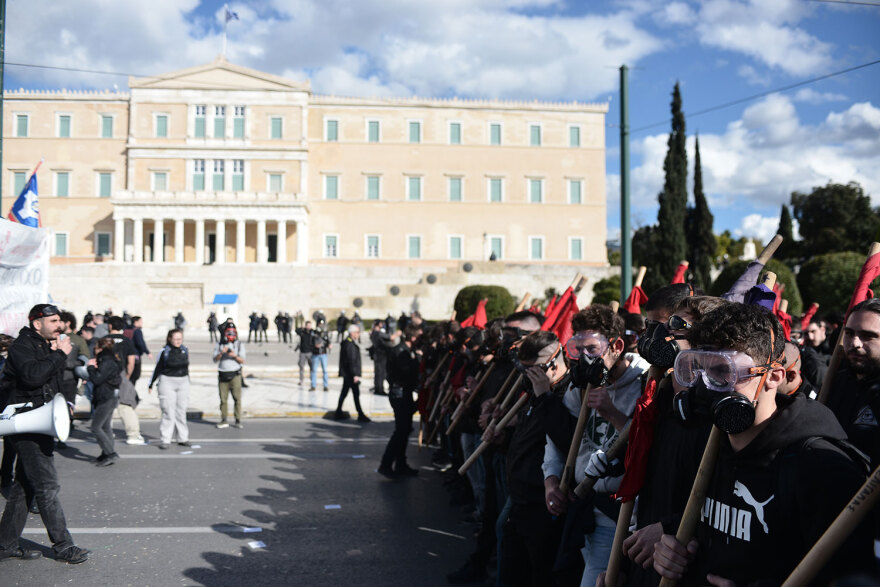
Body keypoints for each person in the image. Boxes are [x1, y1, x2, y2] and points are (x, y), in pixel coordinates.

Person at [652, 303, 873, 585]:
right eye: (698, 369)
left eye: (724, 371)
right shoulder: (708, 447)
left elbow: (854, 577)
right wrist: (673, 551)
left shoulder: (822, 468)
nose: (707, 387)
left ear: (774, 376)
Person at [542, 306, 649, 587]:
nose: (585, 358)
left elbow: (650, 445)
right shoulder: (580, 386)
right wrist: (551, 482)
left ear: (616, 346)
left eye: (592, 348)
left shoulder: (645, 382)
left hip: (628, 510)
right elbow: (557, 442)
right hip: (588, 506)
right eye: (578, 349)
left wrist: (612, 413)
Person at [0, 303, 90, 564]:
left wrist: (64, 405)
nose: (59, 325)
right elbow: (32, 377)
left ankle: (5, 544)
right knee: (47, 486)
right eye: (53, 321)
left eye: (59, 320)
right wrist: (59, 355)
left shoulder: (42, 345)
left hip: (40, 421)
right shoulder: (22, 346)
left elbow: (50, 381)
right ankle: (63, 546)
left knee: (24, 486)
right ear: (37, 323)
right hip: (26, 422)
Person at [827, 298, 880, 570]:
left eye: (869, 336)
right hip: (825, 517)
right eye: (849, 334)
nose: (855, 343)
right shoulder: (836, 381)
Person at [379, 324, 422, 478]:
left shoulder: (404, 350)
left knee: (404, 430)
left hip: (404, 392)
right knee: (401, 431)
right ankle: (386, 464)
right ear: (413, 337)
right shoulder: (402, 352)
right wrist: (417, 359)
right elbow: (406, 372)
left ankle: (401, 464)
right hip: (400, 392)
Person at [148, 329, 191, 449]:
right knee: (168, 411)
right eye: (175, 339)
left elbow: (187, 367)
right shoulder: (164, 352)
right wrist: (151, 383)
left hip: (183, 382)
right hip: (167, 381)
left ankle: (183, 438)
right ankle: (165, 439)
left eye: (180, 339)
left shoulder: (185, 350)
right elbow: (158, 368)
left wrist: (187, 381)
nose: (178, 341)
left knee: (181, 411)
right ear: (169, 339)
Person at [104, 316, 144, 445]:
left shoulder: (104, 340)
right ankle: (133, 435)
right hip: (121, 375)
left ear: (110, 326)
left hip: (106, 376)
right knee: (125, 406)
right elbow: (131, 361)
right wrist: (127, 376)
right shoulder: (127, 340)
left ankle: (106, 432)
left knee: (106, 406)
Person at [87, 337, 121, 467]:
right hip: (109, 395)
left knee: (96, 427)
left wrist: (90, 367)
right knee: (106, 427)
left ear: (100, 348)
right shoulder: (110, 359)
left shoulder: (106, 361)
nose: (94, 350)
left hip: (106, 397)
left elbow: (97, 379)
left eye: (95, 348)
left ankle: (110, 453)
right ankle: (105, 454)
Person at [336, 324, 370, 422]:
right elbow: (351, 360)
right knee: (355, 394)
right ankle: (360, 414)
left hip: (347, 373)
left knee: (344, 393)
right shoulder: (349, 344)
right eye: (357, 332)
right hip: (350, 374)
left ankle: (338, 412)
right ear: (352, 333)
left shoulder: (347, 342)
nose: (358, 334)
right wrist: (355, 374)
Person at [213, 326, 246, 429]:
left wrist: (234, 355)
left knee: (237, 398)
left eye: (232, 334)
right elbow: (215, 359)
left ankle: (238, 420)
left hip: (235, 375)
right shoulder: (219, 344)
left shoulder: (239, 345)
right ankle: (224, 419)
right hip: (223, 374)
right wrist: (222, 352)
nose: (230, 336)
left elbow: (242, 360)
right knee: (223, 399)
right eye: (229, 334)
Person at [801, 317, 832, 388]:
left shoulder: (833, 349)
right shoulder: (804, 351)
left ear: (822, 330)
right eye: (806, 333)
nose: (810, 337)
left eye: (813, 331)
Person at [369, 320, 393, 396]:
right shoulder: (378, 333)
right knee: (381, 373)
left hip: (378, 355)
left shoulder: (374, 333)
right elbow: (390, 337)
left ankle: (378, 388)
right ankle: (379, 389)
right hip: (381, 355)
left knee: (378, 373)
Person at [129, 316, 151, 386]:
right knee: (135, 375)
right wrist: (147, 352)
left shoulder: (128, 329)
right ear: (136, 322)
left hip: (128, 355)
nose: (142, 323)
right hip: (135, 355)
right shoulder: (137, 331)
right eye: (141, 321)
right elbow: (140, 343)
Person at [309, 325, 332, 392]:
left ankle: (325, 386)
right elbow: (310, 344)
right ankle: (313, 385)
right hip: (315, 354)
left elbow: (328, 343)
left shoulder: (325, 335)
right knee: (314, 370)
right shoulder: (313, 335)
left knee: (325, 370)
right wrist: (315, 346)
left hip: (323, 354)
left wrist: (329, 345)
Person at [295, 321, 314, 386]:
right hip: (302, 352)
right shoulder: (302, 332)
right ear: (305, 326)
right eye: (307, 325)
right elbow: (296, 330)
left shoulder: (312, 332)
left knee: (312, 367)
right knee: (301, 366)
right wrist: (302, 328)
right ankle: (301, 380)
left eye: (310, 325)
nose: (309, 327)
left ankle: (312, 380)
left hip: (310, 352)